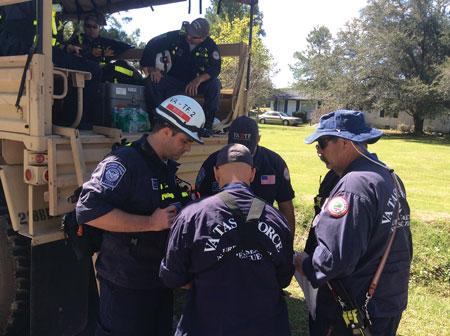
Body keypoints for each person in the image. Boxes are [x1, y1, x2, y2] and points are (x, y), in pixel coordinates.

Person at [76, 95, 205, 336]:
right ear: (167, 131)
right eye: (185, 141)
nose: (188, 148)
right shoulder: (124, 162)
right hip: (125, 285)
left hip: (157, 280)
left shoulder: (164, 167)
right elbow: (88, 209)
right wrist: (150, 223)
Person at [294, 110, 412, 336]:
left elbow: (334, 259)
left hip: (353, 308)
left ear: (345, 142)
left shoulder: (352, 186)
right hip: (387, 299)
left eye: (322, 143)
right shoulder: (389, 176)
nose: (318, 151)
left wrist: (305, 263)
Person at [160, 143, 295, 336]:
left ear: (216, 174)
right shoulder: (277, 219)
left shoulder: (191, 216)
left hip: (207, 325)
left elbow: (173, 277)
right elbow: (284, 278)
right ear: (252, 175)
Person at [195, 116, 296, 234]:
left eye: (247, 151)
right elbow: (198, 203)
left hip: (263, 234)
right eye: (235, 149)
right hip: (220, 234)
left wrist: (288, 247)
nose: (241, 156)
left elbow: (286, 207)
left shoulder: (274, 163)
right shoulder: (212, 162)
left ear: (258, 139)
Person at [140, 18, 221, 136]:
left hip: (196, 83)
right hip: (174, 80)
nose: (188, 37)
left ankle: (207, 125)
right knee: (152, 82)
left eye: (193, 36)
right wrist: (152, 68)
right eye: (188, 33)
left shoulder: (210, 45)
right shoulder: (177, 36)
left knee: (215, 83)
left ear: (203, 38)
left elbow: (215, 68)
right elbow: (153, 44)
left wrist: (199, 80)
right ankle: (157, 122)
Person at [65, 15, 134, 66]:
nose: (91, 29)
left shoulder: (105, 42)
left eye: (95, 27)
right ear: (84, 27)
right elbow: (64, 49)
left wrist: (111, 52)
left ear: (99, 29)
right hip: (78, 72)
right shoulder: (76, 40)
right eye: (88, 26)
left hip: (100, 75)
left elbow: (129, 46)